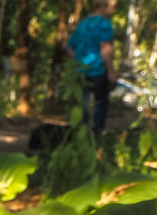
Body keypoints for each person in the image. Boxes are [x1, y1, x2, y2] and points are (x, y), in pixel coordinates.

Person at [67, 0, 118, 135]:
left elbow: (70, 47)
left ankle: (81, 132)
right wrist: (111, 71)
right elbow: (105, 49)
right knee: (101, 102)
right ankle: (97, 133)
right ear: (103, 6)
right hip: (98, 70)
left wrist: (78, 62)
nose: (113, 11)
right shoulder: (104, 24)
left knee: (83, 103)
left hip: (81, 72)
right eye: (113, 7)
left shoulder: (83, 24)